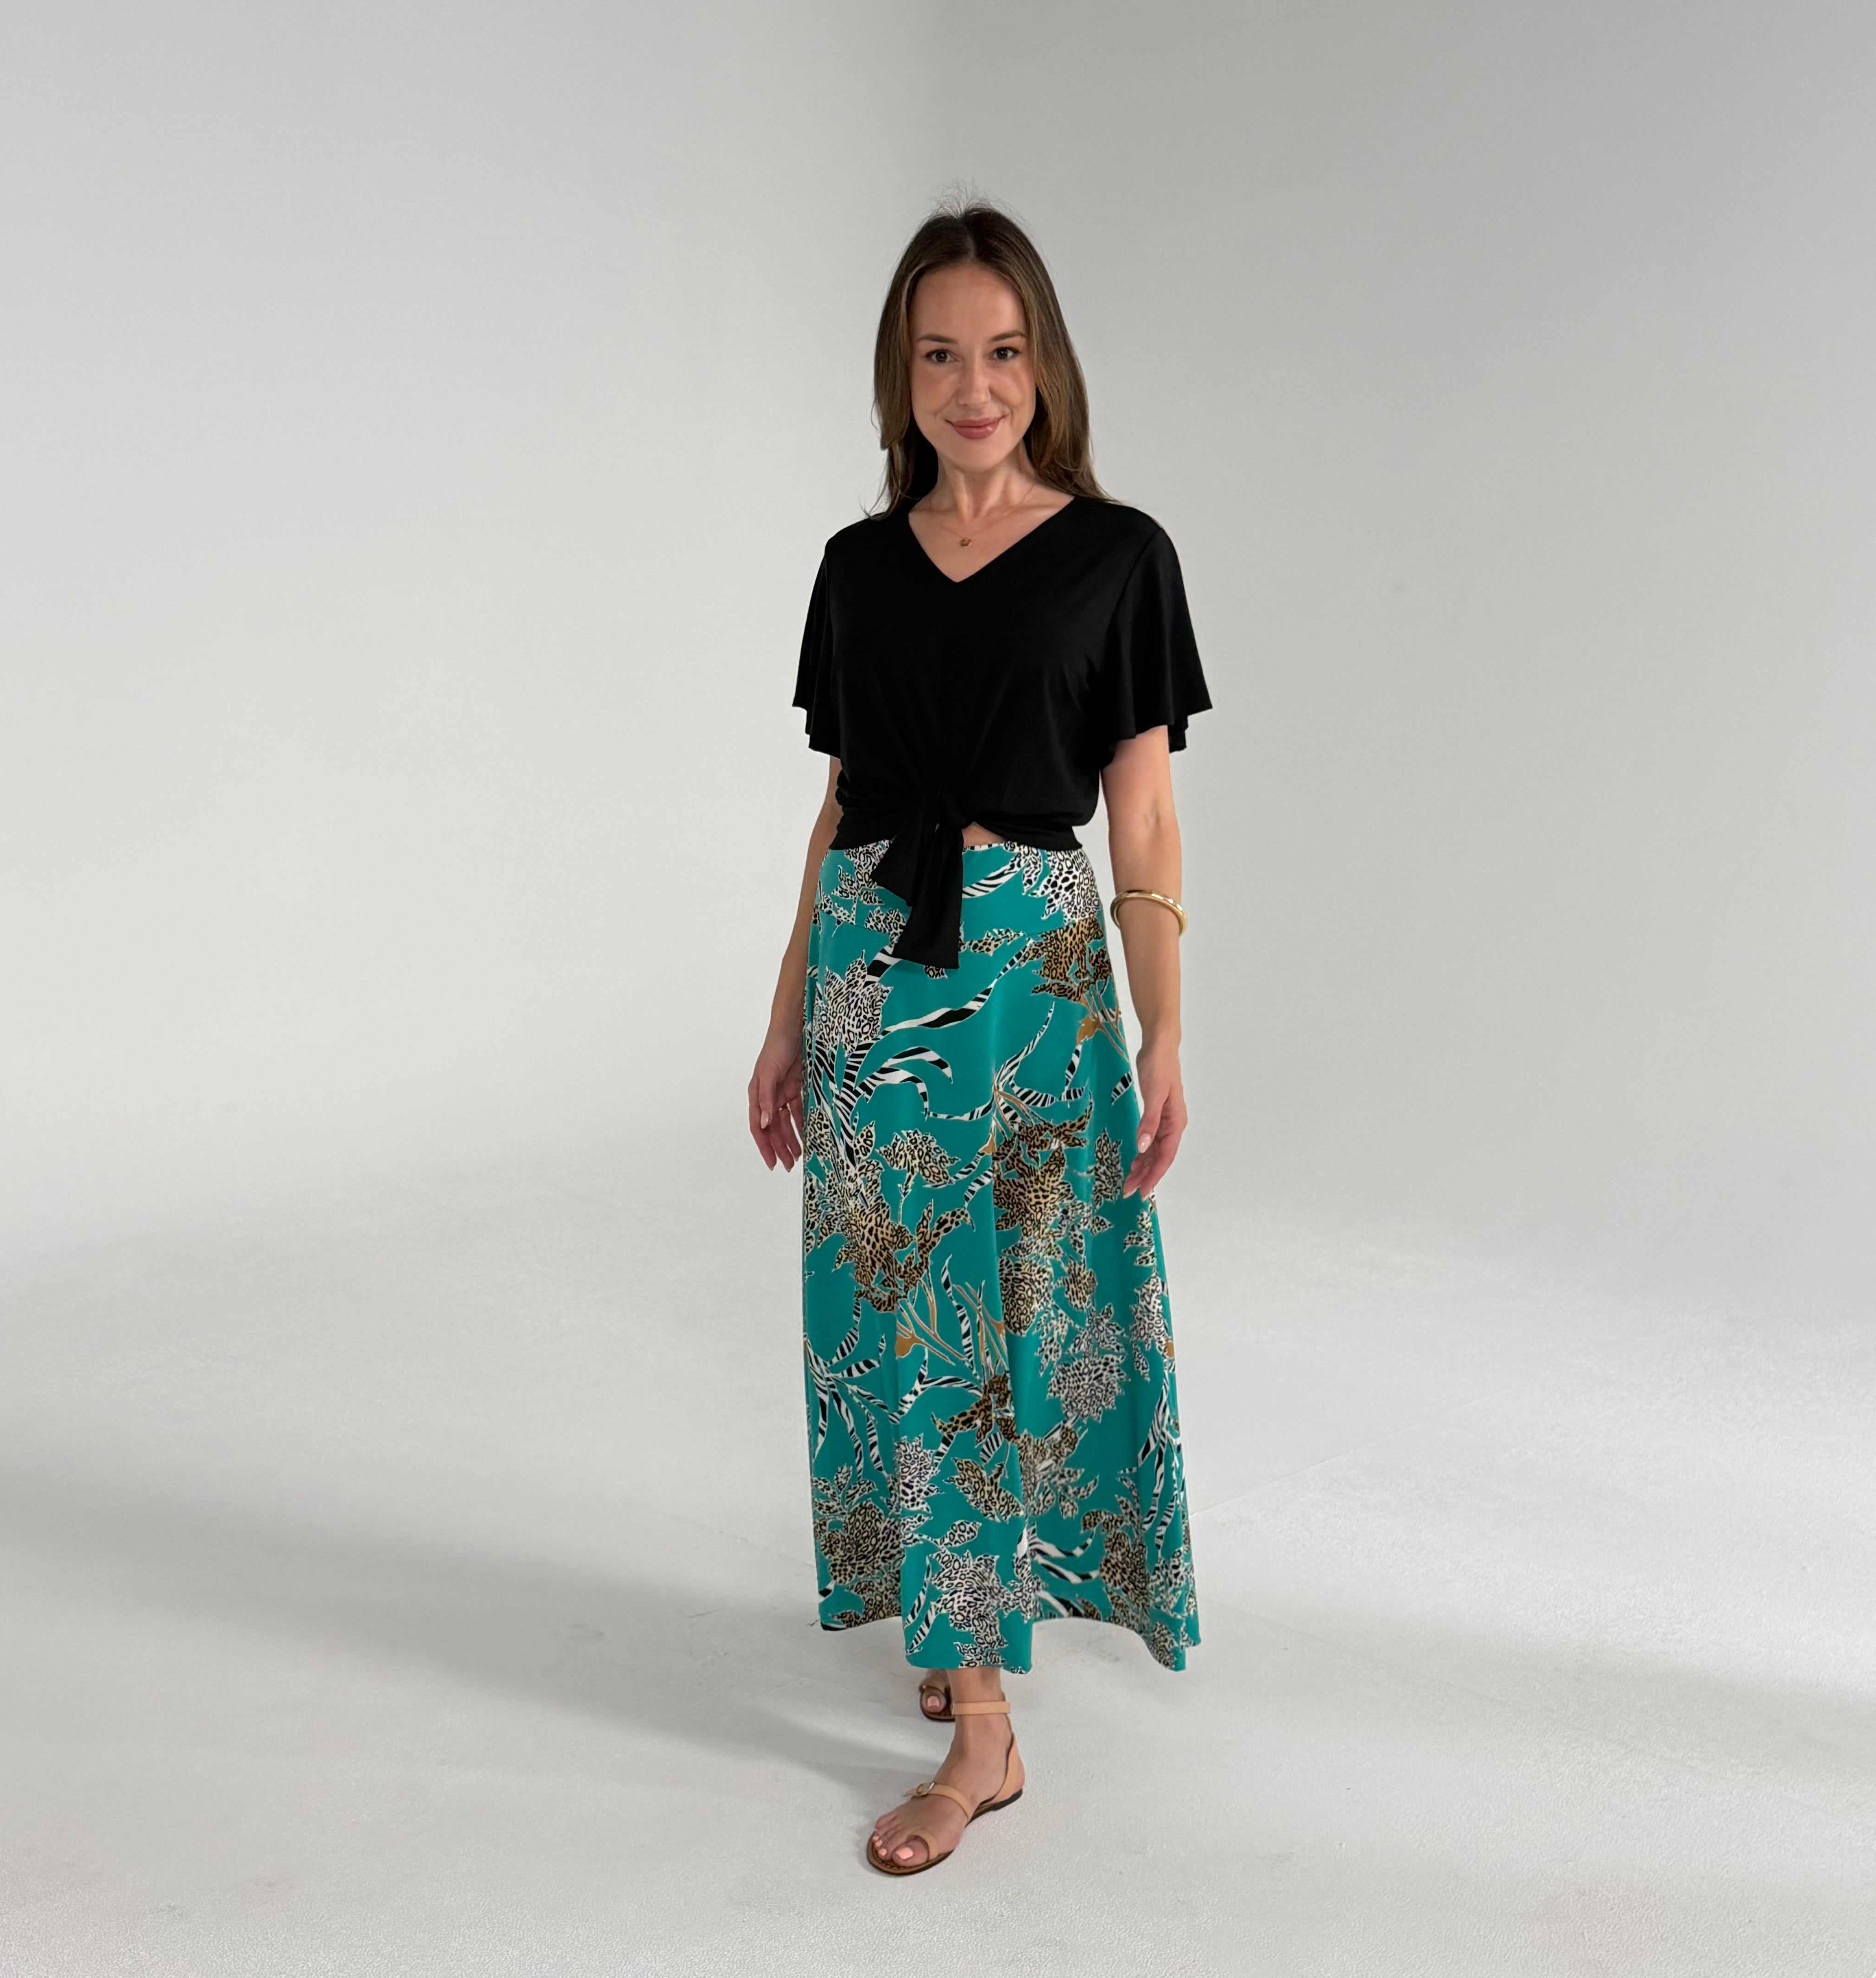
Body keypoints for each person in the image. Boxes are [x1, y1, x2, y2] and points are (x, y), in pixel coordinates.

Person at [747, 200, 1211, 1876]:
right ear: (901, 371)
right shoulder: (854, 569)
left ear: (1044, 364)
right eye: (939, 352)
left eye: (1001, 351)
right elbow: (837, 807)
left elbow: (1143, 820)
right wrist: (786, 1014)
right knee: (900, 1325)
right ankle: (965, 1666)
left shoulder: (1116, 555)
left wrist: (1164, 1029)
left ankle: (986, 1731)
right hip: (877, 984)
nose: (973, 384)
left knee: (1012, 1324)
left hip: (1029, 989)